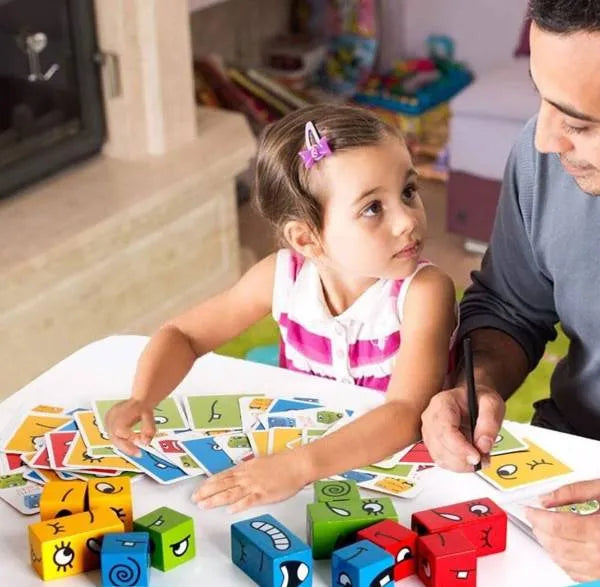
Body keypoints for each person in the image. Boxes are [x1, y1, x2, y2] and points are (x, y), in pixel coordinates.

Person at [106, 103, 457, 513]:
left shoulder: (424, 290)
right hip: (305, 462)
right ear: (307, 240)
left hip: (396, 473)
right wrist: (142, 397)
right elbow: (183, 335)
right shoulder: (282, 276)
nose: (407, 220)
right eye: (373, 208)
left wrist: (296, 467)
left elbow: (405, 414)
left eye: (408, 192)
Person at [420, 0, 600, 582]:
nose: (545, 139)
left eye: (579, 122)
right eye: (541, 97)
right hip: (563, 463)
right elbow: (509, 307)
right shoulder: (543, 157)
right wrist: (479, 385)